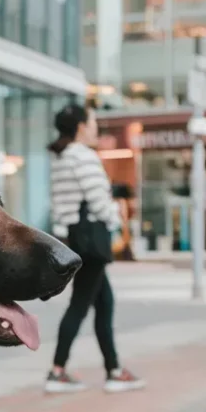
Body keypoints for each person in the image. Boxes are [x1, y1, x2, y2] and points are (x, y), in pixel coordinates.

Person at [45, 105, 145, 394]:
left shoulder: (60, 158)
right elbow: (98, 199)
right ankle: (57, 370)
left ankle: (113, 369)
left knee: (104, 303)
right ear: (79, 126)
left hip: (74, 239)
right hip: (91, 240)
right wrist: (114, 220)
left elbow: (60, 204)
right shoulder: (84, 156)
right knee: (80, 304)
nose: (95, 127)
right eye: (92, 122)